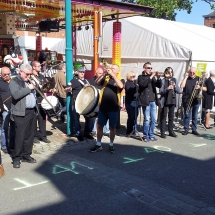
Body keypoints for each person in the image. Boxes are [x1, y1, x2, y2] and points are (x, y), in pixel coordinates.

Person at [89, 64, 124, 153]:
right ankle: (98, 144)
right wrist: (104, 74)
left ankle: (111, 144)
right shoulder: (105, 79)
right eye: (110, 68)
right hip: (103, 108)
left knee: (112, 127)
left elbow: (120, 86)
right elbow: (96, 82)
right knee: (100, 126)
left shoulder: (120, 79)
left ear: (117, 71)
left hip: (113, 108)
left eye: (113, 69)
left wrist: (112, 75)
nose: (111, 69)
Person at [9, 64, 37, 168]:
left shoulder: (28, 81)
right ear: (20, 71)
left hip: (31, 111)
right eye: (27, 74)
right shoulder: (14, 81)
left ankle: (26, 155)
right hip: (20, 112)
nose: (29, 76)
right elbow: (16, 95)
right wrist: (29, 88)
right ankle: (17, 158)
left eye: (30, 74)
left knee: (30, 135)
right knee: (20, 136)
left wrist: (34, 86)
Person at [66, 67, 94, 141]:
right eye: (81, 72)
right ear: (77, 72)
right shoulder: (74, 81)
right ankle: (78, 134)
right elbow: (67, 88)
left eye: (83, 72)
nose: (82, 73)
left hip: (85, 103)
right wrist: (69, 89)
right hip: (75, 103)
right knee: (76, 119)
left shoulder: (87, 81)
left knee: (89, 118)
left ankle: (87, 133)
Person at [138, 62, 162, 142]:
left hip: (153, 101)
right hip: (145, 101)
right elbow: (143, 84)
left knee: (154, 119)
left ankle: (151, 135)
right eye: (148, 68)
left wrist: (158, 78)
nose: (150, 69)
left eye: (151, 68)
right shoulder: (140, 77)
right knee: (147, 119)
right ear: (144, 68)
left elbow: (159, 85)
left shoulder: (153, 78)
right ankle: (145, 135)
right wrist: (151, 76)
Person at [31, 61, 50, 143]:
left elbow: (45, 87)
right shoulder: (30, 76)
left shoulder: (41, 76)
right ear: (33, 67)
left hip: (41, 99)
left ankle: (43, 135)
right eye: (38, 66)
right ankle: (34, 136)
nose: (40, 67)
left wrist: (50, 88)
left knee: (42, 118)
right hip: (34, 99)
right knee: (34, 118)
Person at [159, 67, 181, 138]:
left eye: (171, 72)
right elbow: (161, 91)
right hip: (165, 100)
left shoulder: (174, 80)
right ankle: (162, 132)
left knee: (171, 117)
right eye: (168, 72)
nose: (170, 73)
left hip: (172, 100)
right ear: (166, 72)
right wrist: (167, 88)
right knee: (163, 117)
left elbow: (179, 90)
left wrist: (174, 87)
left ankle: (171, 131)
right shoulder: (163, 81)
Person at [88, 67, 110, 136]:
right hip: (95, 100)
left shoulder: (104, 80)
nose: (101, 75)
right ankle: (93, 130)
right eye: (100, 73)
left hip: (103, 99)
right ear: (96, 73)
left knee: (105, 114)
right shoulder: (91, 80)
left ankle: (107, 131)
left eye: (102, 73)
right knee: (95, 115)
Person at [180, 67, 201, 135]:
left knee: (195, 116)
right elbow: (181, 86)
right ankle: (186, 129)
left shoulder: (199, 78)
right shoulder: (187, 78)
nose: (192, 74)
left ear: (196, 72)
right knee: (187, 115)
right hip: (187, 99)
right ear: (188, 72)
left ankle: (194, 129)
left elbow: (205, 88)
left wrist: (200, 87)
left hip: (196, 100)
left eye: (193, 73)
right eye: (190, 72)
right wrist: (185, 77)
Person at [0, 66, 15, 154]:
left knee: (13, 127)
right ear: (1, 74)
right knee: (4, 128)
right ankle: (4, 146)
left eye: (8, 74)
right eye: (4, 74)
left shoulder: (13, 81)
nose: (7, 75)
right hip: (5, 109)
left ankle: (12, 145)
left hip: (14, 108)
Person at [125, 71, 139, 136]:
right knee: (131, 117)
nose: (134, 78)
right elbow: (130, 91)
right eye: (132, 76)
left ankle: (134, 130)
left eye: (134, 76)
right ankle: (129, 131)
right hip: (130, 102)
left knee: (135, 117)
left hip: (136, 101)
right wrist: (137, 87)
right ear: (129, 76)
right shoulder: (128, 83)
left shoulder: (134, 83)